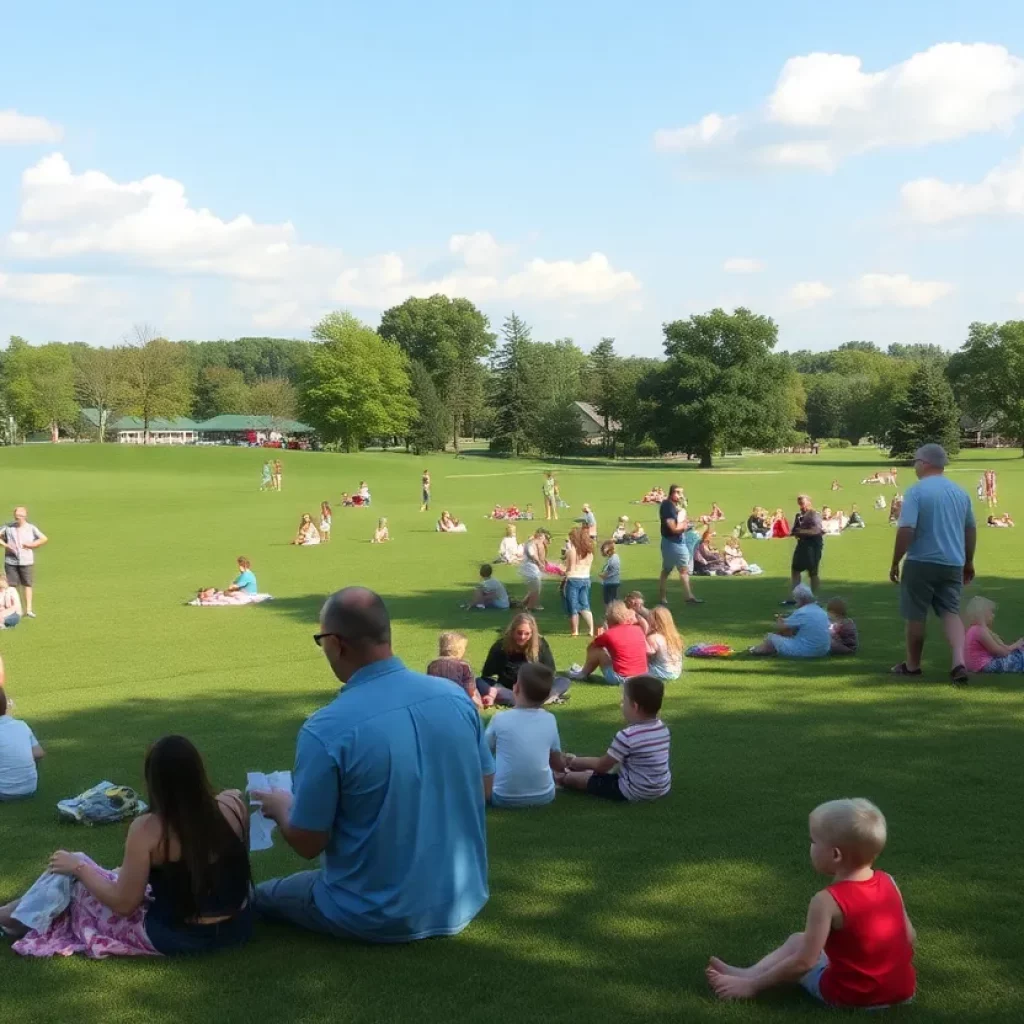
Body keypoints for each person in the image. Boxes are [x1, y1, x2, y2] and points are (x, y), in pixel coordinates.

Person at [251, 588, 492, 942]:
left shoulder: (327, 729)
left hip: (368, 913)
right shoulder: (454, 697)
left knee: (261, 896)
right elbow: (483, 789)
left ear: (335, 643)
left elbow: (307, 842)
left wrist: (281, 807)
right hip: (463, 898)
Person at [3, 735, 252, 956]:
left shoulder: (149, 829)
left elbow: (124, 904)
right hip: (236, 925)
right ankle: (9, 914)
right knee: (95, 871)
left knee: (72, 879)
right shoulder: (233, 804)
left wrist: (79, 868)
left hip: (177, 934)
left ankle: (9, 918)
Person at [707, 799, 916, 1009]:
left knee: (802, 951)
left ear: (835, 855)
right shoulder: (888, 881)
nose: (811, 846)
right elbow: (909, 936)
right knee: (800, 940)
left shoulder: (827, 900)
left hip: (850, 996)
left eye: (814, 841)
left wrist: (753, 987)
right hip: (902, 991)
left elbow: (803, 963)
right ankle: (746, 973)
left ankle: (749, 982)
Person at [890, 444, 975, 684]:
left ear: (925, 463)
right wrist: (968, 561)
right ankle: (959, 662)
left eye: (915, 461)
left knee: (916, 614)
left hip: (921, 561)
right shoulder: (960, 493)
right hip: (953, 562)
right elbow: (970, 529)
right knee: (950, 612)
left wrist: (896, 561)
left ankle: (913, 666)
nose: (914, 466)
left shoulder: (917, 492)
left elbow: (907, 529)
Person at [557, 675, 671, 803]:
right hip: (661, 787)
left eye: (624, 700)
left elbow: (601, 766)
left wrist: (571, 761)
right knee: (593, 773)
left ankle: (560, 777)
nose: (621, 704)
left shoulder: (627, 736)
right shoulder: (662, 728)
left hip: (632, 790)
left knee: (574, 778)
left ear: (635, 706)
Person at [485, 664, 566, 808]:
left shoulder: (500, 718)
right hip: (544, 796)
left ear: (515, 688)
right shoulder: (549, 719)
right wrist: (568, 763)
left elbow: (483, 753)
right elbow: (556, 763)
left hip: (502, 797)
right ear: (548, 695)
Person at [479, 613, 569, 707]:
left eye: (527, 634)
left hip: (534, 688)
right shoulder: (500, 646)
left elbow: (550, 671)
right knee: (479, 682)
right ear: (512, 631)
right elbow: (487, 674)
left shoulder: (540, 645)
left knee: (563, 681)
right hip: (509, 688)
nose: (522, 637)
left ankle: (532, 700)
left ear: (532, 633)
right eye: (519, 633)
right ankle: (530, 701)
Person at [569, 600, 649, 684]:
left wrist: (599, 636)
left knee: (598, 651)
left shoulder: (609, 634)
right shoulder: (638, 630)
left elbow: (592, 646)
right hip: (642, 676)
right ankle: (582, 671)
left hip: (622, 678)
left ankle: (582, 673)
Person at [749, 584, 831, 658]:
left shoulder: (802, 612)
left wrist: (779, 618)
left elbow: (781, 627)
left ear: (801, 599)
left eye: (796, 598)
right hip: (823, 650)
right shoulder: (821, 611)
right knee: (787, 634)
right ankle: (761, 649)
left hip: (807, 651)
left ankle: (756, 650)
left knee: (771, 637)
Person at [0, 507, 48, 619]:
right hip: (11, 561)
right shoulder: (8, 527)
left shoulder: (31, 528)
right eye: (16, 517)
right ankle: (16, 609)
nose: (18, 519)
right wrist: (6, 545)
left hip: (26, 560)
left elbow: (43, 538)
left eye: (20, 517)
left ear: (25, 516)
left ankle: (29, 610)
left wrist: (32, 545)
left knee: (27, 584)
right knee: (12, 586)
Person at [658, 485, 701, 606]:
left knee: (676, 570)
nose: (680, 495)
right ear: (671, 493)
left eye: (681, 493)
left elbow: (679, 524)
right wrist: (684, 524)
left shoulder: (673, 506)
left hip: (675, 542)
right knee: (674, 570)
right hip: (672, 543)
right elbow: (674, 528)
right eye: (677, 492)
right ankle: (669, 597)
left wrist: (689, 521)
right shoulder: (667, 507)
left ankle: (684, 596)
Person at [0, 687, 45, 800]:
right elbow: (39, 753)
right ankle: (23, 779)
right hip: (29, 789)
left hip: (3, 791)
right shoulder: (21, 725)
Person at [963, 596, 1024, 674]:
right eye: (991, 612)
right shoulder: (980, 632)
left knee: (1019, 652)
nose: (993, 615)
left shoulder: (973, 629)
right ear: (983, 614)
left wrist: (1014, 646)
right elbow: (1001, 652)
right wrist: (1016, 645)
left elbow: (1000, 649)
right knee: (1020, 657)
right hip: (986, 667)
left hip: (979, 667)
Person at [427, 632, 483, 709]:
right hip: (459, 700)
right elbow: (470, 690)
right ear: (458, 649)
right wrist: (477, 702)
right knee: (475, 690)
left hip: (438, 699)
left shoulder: (432, 665)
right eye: (464, 647)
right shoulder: (464, 665)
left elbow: (430, 685)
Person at [787, 495, 823, 599]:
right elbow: (794, 530)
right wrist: (798, 532)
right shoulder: (799, 515)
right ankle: (796, 596)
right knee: (795, 569)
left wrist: (800, 532)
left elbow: (817, 531)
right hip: (801, 545)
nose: (801, 507)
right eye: (800, 504)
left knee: (813, 572)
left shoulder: (815, 514)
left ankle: (814, 597)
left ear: (809, 503)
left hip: (813, 546)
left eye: (803, 504)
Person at [563, 526, 595, 638]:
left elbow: (570, 568)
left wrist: (561, 571)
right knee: (585, 605)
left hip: (574, 579)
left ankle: (575, 631)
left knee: (573, 605)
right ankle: (591, 629)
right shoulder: (589, 552)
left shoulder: (572, 551)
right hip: (585, 578)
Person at [645, 606, 683, 680]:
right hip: (675, 672)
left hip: (661, 673)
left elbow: (645, 656)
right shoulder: (674, 636)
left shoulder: (654, 637)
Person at [518, 529, 549, 612]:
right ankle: (531, 606)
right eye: (543, 537)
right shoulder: (531, 544)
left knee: (535, 587)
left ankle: (524, 603)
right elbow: (533, 555)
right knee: (536, 587)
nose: (544, 539)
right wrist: (539, 563)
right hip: (530, 567)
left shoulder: (531, 542)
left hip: (530, 567)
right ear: (540, 536)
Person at [599, 541, 621, 606]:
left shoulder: (614, 558)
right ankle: (609, 614)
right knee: (607, 601)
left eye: (604, 550)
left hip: (612, 583)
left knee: (611, 602)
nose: (603, 552)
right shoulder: (611, 558)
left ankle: (612, 614)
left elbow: (615, 570)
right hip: (608, 583)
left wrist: (605, 576)